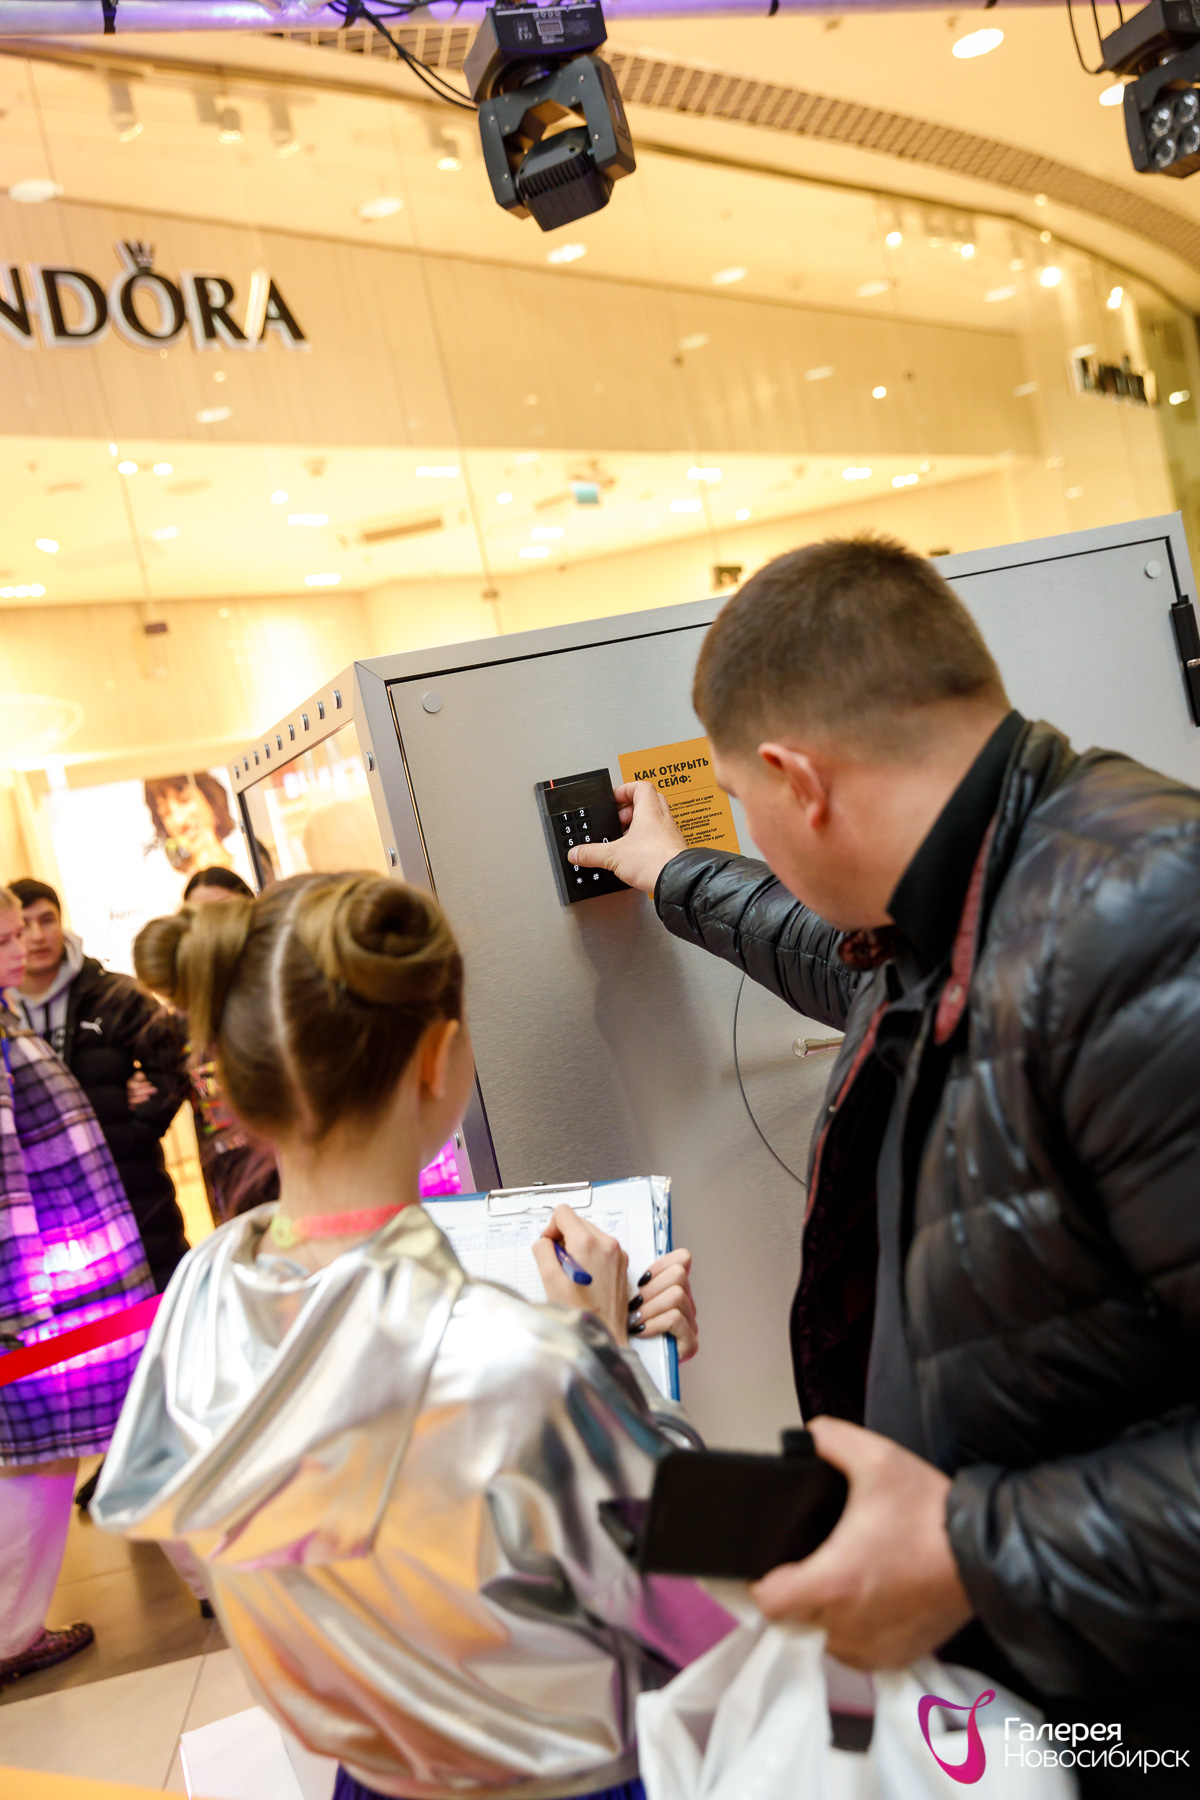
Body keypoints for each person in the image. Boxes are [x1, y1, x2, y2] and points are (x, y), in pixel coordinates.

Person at [569, 534, 1200, 1792]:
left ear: (798, 782)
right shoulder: (976, 891)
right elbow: (835, 961)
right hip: (1065, 1678)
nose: (757, 829)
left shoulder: (1149, 922)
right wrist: (674, 872)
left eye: (743, 801)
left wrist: (968, 1551)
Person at [93, 872, 713, 1800]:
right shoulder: (523, 1360)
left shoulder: (204, 1291)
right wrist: (613, 1363)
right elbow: (691, 1604)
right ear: (440, 1060)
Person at [0, 886, 155, 1688]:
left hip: (72, 1279)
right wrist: (19, 1308)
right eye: (2, 939)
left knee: (67, 1449)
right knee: (38, 1462)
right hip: (49, 1293)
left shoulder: (8, 1020)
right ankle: (7, 1636)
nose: (20, 948)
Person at [8, 879, 191, 1293]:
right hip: (45, 1202)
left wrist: (136, 1129)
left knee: (165, 1298)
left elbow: (173, 1059)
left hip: (134, 1186)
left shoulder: (115, 994)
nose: (37, 936)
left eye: (47, 920)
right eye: (23, 926)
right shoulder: (7, 1011)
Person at [174, 866, 279, 1224]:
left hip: (298, 1170)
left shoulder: (283, 985)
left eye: (223, 911)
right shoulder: (184, 1010)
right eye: (198, 916)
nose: (212, 926)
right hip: (232, 1185)